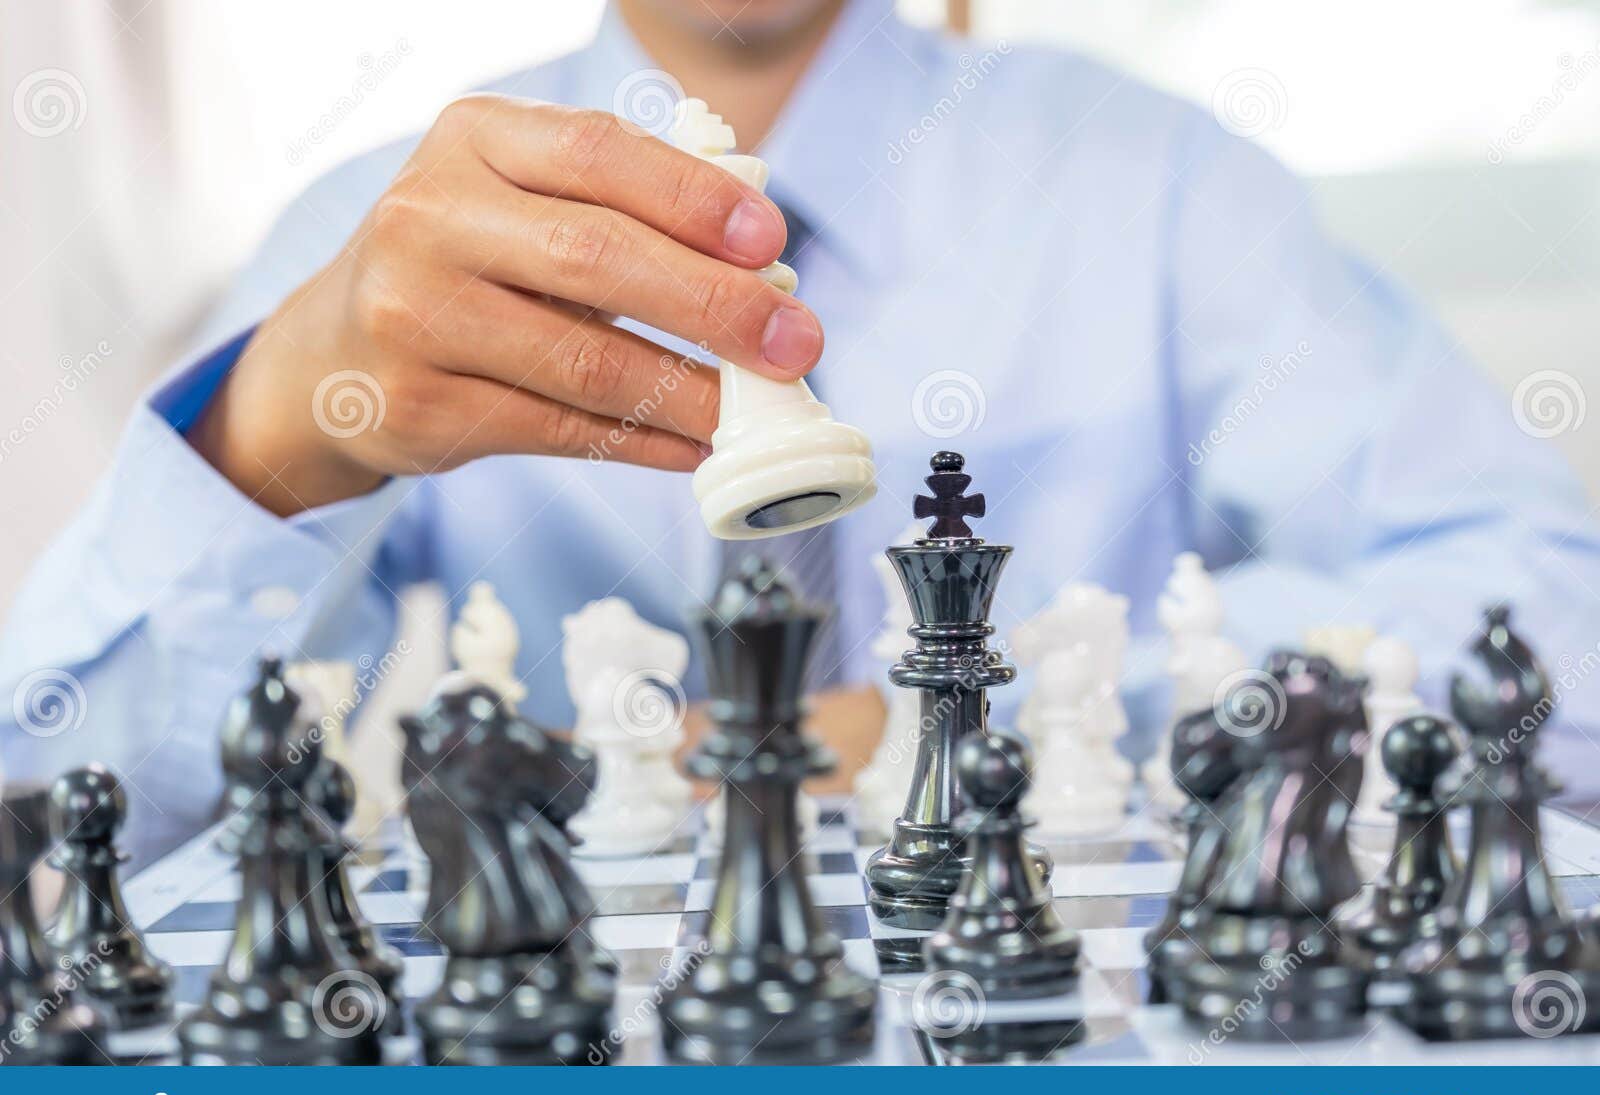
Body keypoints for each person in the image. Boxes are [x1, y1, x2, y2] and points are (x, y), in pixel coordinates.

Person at [4, 0, 1596, 864]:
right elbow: (44, 820)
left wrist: (976, 716)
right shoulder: (392, 226)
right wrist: (275, 441)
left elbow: (1564, 645)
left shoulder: (1165, 186)